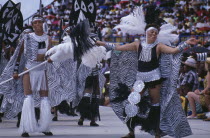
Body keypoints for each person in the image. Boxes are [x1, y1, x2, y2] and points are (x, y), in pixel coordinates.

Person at [96, 23, 197, 138]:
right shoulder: (137, 44)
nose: (154, 34)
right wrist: (102, 43)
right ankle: (131, 132)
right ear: (146, 33)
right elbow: (119, 47)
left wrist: (186, 44)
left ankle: (157, 132)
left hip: (154, 79)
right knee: (131, 104)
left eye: (155, 32)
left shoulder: (159, 46)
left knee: (155, 106)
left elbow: (173, 51)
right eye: (151, 31)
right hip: (140, 79)